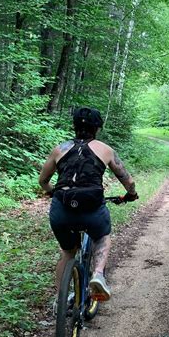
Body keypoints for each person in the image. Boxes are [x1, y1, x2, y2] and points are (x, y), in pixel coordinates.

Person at [38, 107, 138, 301]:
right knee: (102, 237)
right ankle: (98, 275)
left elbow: (43, 181)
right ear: (97, 128)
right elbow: (129, 181)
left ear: (74, 126)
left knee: (67, 251)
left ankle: (61, 298)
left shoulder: (60, 149)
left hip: (62, 208)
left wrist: (53, 192)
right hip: (91, 208)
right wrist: (131, 195)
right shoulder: (105, 149)